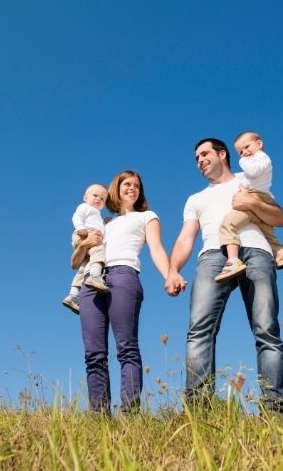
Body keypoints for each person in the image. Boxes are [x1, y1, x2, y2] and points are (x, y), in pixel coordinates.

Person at [165, 138, 283, 412]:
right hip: (212, 256)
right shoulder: (196, 199)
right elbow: (187, 237)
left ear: (222, 154)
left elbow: (281, 218)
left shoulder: (250, 180)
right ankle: (198, 411)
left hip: (256, 251)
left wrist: (251, 204)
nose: (199, 160)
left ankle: (273, 411)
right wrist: (173, 270)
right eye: (196, 157)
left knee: (267, 329)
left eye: (204, 153)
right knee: (199, 331)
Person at [78, 170, 170, 413]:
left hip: (123, 275)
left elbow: (157, 249)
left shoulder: (147, 217)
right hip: (91, 280)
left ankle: (129, 414)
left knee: (126, 348)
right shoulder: (102, 223)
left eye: (137, 185)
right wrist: (86, 243)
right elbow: (75, 259)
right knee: (94, 354)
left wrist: (170, 274)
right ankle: (99, 416)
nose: (132, 188)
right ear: (115, 189)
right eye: (126, 184)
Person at [215, 131, 283, 299]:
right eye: (240, 152)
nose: (244, 153)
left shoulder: (262, 158)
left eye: (246, 147)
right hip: (262, 198)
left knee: (228, 224)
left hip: (253, 197)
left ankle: (233, 261)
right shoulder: (258, 160)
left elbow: (253, 171)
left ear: (259, 144)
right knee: (271, 240)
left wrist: (243, 160)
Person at [62, 183, 110, 315]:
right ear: (85, 197)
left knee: (84, 267)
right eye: (95, 195)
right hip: (85, 233)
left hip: (87, 234)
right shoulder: (85, 207)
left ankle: (72, 296)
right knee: (99, 250)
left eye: (102, 199)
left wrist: (104, 223)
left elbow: (96, 224)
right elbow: (76, 216)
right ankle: (95, 277)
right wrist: (80, 228)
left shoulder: (97, 215)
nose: (98, 199)